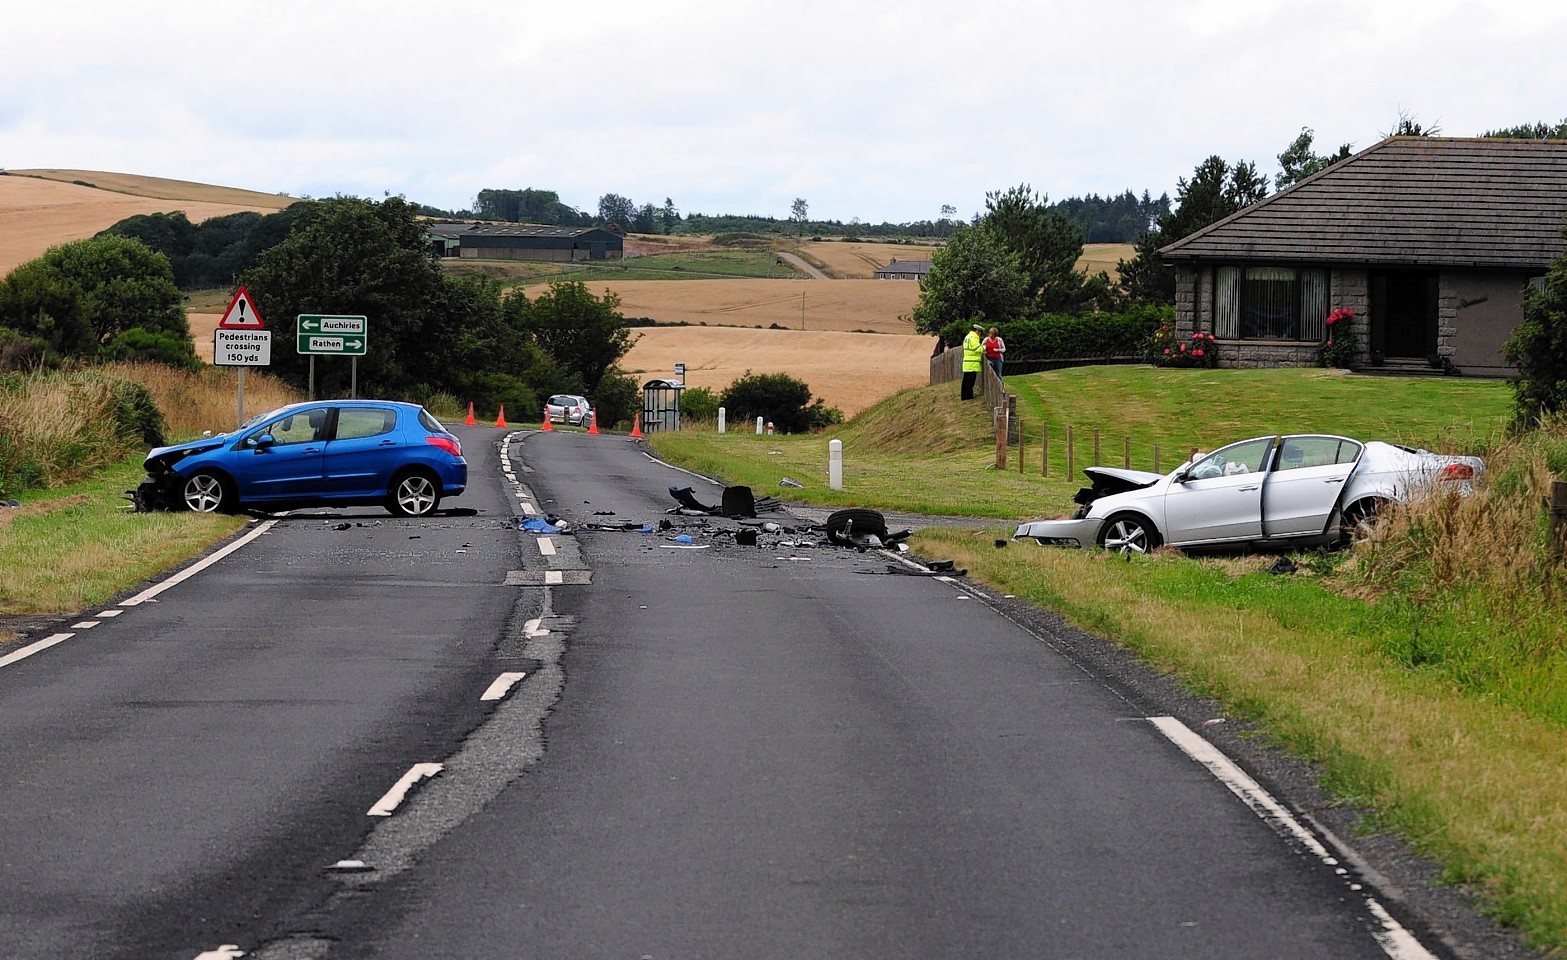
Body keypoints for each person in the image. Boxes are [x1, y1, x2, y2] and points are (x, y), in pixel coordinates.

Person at [960, 323, 983, 400]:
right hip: (972, 362)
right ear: (977, 331)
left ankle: (964, 396)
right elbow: (977, 349)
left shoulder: (967, 337)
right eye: (980, 332)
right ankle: (968, 396)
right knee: (970, 381)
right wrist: (985, 347)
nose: (980, 334)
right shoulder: (973, 338)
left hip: (967, 361)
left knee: (966, 380)